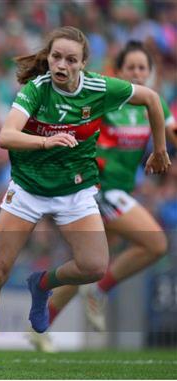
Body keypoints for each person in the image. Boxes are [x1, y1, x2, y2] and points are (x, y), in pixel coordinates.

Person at [0, 26, 171, 370]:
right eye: (56, 57)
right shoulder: (37, 90)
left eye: (71, 59)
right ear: (48, 58)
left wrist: (159, 150)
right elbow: (6, 135)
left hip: (75, 190)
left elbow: (149, 98)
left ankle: (41, 284)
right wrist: (46, 140)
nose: (62, 64)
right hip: (28, 189)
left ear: (83, 64)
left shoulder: (100, 88)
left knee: (94, 267)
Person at [28, 40, 177, 352]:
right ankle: (100, 290)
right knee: (156, 243)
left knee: (86, 265)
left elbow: (171, 130)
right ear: (118, 72)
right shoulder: (108, 100)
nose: (137, 73)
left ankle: (41, 327)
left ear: (150, 73)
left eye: (142, 68)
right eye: (131, 68)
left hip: (119, 191)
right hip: (97, 189)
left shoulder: (154, 105)